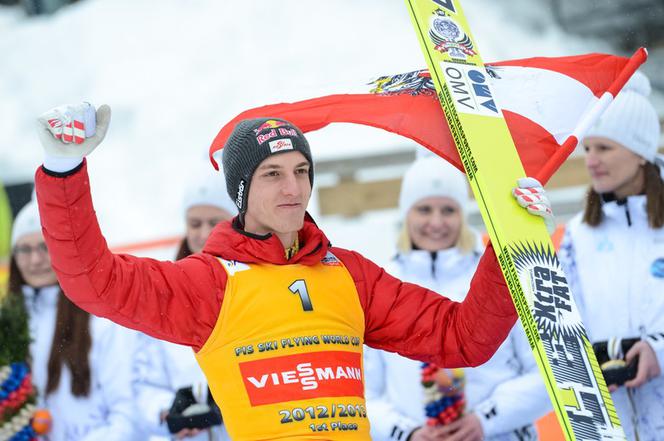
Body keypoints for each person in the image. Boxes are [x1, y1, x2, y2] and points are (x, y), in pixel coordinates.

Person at [33, 102, 554, 439]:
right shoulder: (211, 282)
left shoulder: (348, 274)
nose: (293, 188)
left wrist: (508, 241)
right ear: (241, 190)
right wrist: (64, 173)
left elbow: (464, 338)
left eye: (302, 171)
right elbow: (92, 280)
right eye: (273, 174)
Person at [364, 156, 550, 441]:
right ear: (406, 214)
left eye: (448, 210)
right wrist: (407, 433)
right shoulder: (382, 284)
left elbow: (547, 371)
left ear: (463, 215)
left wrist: (486, 419)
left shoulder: (499, 274)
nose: (436, 222)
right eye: (424, 209)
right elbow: (362, 390)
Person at [559, 73, 664, 441]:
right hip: (607, 425)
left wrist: (657, 351)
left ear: (640, 151)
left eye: (604, 148)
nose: (591, 161)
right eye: (587, 148)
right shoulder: (577, 234)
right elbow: (563, 327)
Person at [8, 200, 140, 440]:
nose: (35, 260)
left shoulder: (100, 318)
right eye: (24, 250)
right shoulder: (8, 324)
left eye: (44, 247)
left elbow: (127, 412)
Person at [133, 168, 236, 441]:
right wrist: (170, 410)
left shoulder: (255, 283)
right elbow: (144, 383)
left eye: (214, 222)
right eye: (194, 223)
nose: (203, 233)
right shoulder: (164, 292)